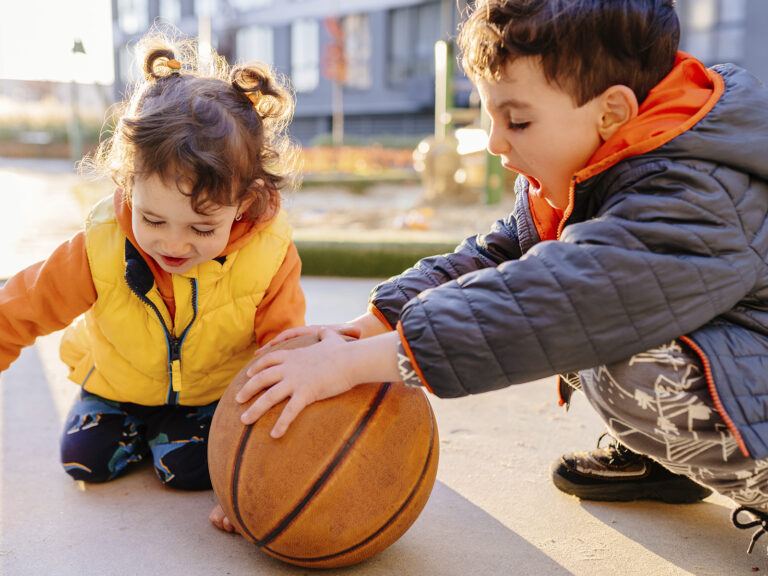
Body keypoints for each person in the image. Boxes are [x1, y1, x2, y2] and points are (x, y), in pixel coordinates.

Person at [228, 0, 768, 554]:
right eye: (488, 114)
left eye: (518, 120)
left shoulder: (694, 189)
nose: (494, 142)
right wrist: (363, 328)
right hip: (735, 339)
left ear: (611, 112)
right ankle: (667, 460)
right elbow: (501, 256)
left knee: (608, 348)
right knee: (571, 299)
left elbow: (565, 301)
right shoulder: (606, 158)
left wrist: (354, 365)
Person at [0, 30, 305, 526]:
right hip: (115, 383)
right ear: (127, 185)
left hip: (207, 392)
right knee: (84, 461)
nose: (173, 246)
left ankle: (178, 432)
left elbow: (281, 356)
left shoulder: (269, 256)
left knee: (186, 472)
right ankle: (129, 422)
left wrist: (256, 478)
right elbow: (21, 307)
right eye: (154, 220)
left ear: (244, 203)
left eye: (202, 227)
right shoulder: (100, 247)